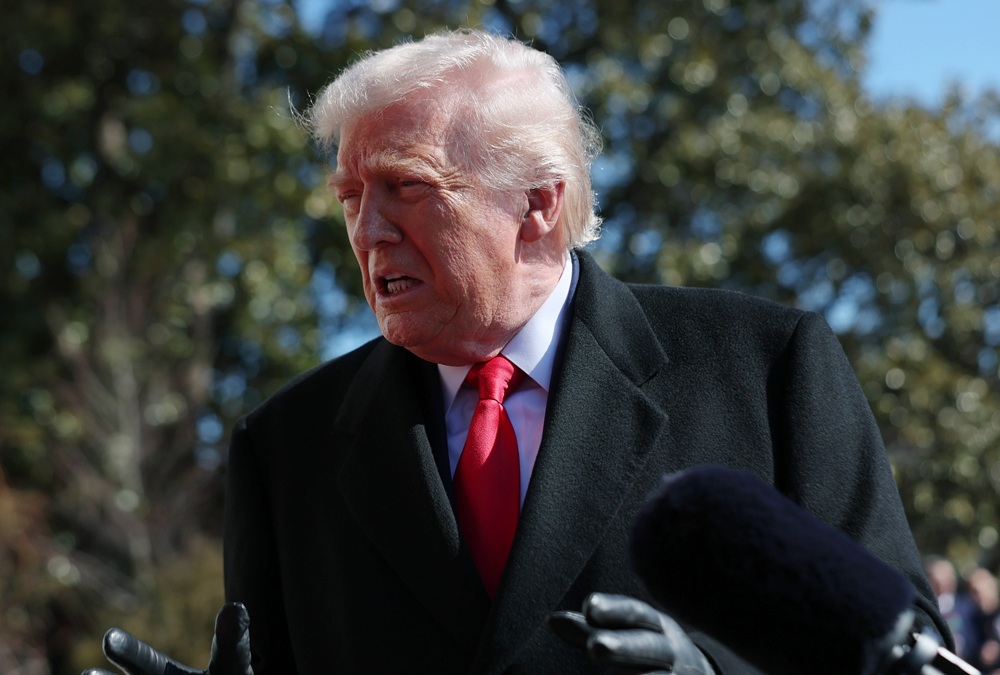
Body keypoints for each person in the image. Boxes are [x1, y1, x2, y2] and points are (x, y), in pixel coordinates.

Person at [85, 28, 949, 674]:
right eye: (351, 195)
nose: (367, 230)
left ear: (538, 204)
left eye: (408, 188)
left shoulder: (764, 369)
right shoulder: (285, 446)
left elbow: (910, 655)